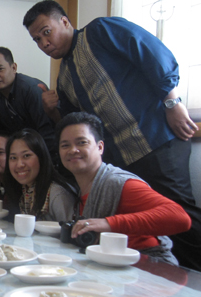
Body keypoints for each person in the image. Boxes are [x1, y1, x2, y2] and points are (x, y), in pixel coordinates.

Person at [23, 0, 201, 269]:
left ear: (65, 22)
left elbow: (151, 52)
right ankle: (169, 281)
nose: (43, 43)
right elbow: (80, 128)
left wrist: (172, 102)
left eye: (46, 31)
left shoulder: (101, 30)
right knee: (144, 224)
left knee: (179, 214)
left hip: (155, 140)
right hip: (121, 160)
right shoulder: (64, 78)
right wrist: (52, 112)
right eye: (36, 39)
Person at [56, 112, 191, 265]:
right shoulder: (80, 190)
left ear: (100, 147)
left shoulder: (119, 183)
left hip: (149, 268)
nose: (73, 150)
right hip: (112, 267)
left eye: (82, 142)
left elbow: (180, 217)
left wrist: (108, 223)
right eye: (65, 145)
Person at [0, 47, 58, 162]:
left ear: (13, 68)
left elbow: (47, 132)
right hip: (15, 157)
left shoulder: (31, 89)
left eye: (0, 69)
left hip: (46, 153)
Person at [4, 129, 75, 221]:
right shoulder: (25, 191)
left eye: (26, 156)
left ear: (41, 157)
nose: (19, 164)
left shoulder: (57, 194)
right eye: (13, 158)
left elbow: (70, 232)